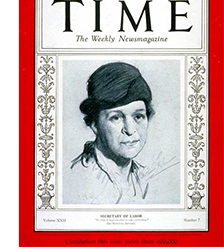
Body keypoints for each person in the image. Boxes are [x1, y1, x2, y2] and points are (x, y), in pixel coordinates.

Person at [65, 62, 179, 204]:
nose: (130, 130)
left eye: (138, 116)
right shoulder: (75, 180)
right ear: (94, 124)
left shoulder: (148, 180)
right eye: (116, 118)